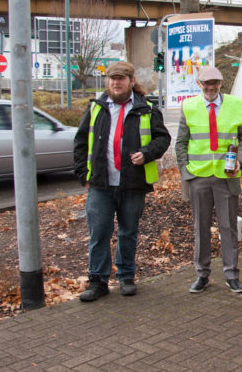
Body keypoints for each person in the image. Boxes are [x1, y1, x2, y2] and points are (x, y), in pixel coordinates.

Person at [73, 61, 171, 302]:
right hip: (100, 184)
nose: (116, 83)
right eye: (112, 78)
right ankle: (98, 281)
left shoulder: (146, 108)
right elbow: (80, 142)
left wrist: (147, 153)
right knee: (99, 233)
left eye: (121, 79)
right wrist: (83, 176)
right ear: (108, 81)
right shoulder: (96, 107)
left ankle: (126, 276)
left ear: (131, 82)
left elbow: (163, 138)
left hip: (132, 183)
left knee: (128, 232)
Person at [175, 66, 242, 294]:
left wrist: (241, 160)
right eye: (206, 83)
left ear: (221, 84)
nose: (211, 87)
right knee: (201, 228)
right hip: (198, 177)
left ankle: (231, 275)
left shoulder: (235, 105)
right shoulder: (189, 106)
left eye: (215, 83)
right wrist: (185, 171)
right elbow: (180, 142)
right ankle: (202, 274)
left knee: (228, 227)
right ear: (199, 84)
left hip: (227, 177)